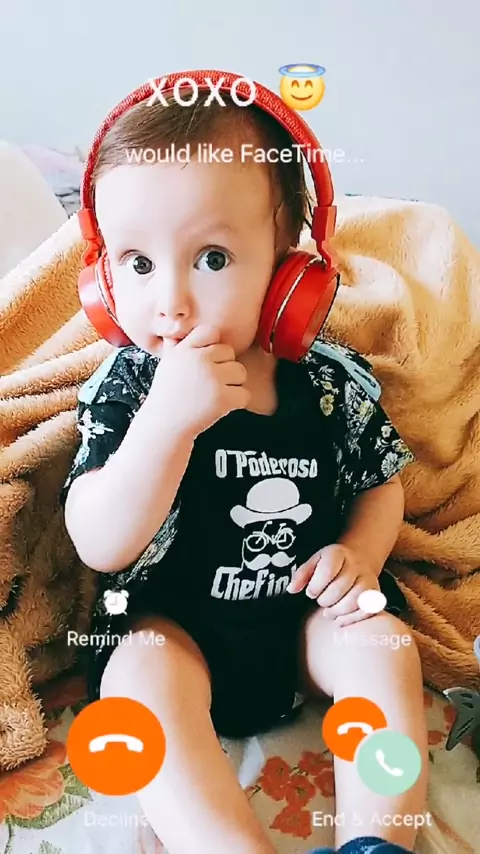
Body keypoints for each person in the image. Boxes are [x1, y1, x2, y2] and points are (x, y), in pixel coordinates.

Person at [61, 79, 428, 854]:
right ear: (102, 276)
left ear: (289, 263)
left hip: (303, 626)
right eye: (136, 262)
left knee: (383, 646)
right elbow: (99, 543)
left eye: (213, 257)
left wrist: (361, 554)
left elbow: (379, 482)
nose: (170, 301)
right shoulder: (128, 387)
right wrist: (165, 425)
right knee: (138, 675)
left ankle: (379, 840)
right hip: (174, 629)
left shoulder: (327, 383)